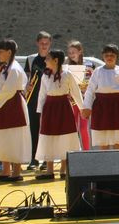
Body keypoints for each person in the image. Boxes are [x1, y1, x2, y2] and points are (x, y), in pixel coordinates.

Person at [35, 50, 85, 180]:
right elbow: (42, 94)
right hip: (49, 108)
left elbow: (76, 92)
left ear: (56, 60)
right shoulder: (45, 76)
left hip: (64, 108)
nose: (45, 61)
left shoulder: (67, 75)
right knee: (48, 136)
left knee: (66, 136)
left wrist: (82, 108)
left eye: (48, 58)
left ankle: (63, 169)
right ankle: (49, 170)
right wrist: (40, 111)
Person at [0, 39, 32, 181]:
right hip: (6, 103)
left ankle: (16, 172)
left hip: (13, 104)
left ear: (9, 52)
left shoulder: (14, 69)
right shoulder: (7, 68)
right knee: (5, 136)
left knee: (15, 137)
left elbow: (10, 89)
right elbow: (4, 88)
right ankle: (6, 171)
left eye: (0, 51)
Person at [65, 40, 103, 150]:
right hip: (72, 100)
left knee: (83, 127)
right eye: (70, 53)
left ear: (80, 51)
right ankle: (73, 151)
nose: (71, 55)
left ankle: (86, 152)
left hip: (85, 100)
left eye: (73, 52)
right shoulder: (66, 66)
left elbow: (94, 81)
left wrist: (87, 86)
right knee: (72, 128)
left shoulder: (89, 64)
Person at [24, 31, 52, 170]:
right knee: (33, 129)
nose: (44, 46)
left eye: (46, 43)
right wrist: (26, 85)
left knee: (46, 130)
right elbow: (25, 77)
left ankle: (47, 159)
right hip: (33, 100)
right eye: (42, 43)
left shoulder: (53, 58)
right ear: (37, 43)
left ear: (50, 44)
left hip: (48, 99)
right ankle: (34, 159)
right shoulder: (30, 59)